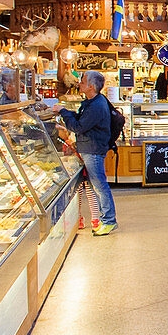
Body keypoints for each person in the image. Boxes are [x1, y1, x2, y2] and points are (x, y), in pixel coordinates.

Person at [51, 71, 117, 236]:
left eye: (82, 82)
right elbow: (81, 119)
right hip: (90, 147)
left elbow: (78, 127)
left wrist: (64, 112)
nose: (79, 84)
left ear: (91, 87)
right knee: (97, 186)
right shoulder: (93, 101)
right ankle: (104, 219)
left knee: (100, 186)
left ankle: (109, 221)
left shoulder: (96, 105)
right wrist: (66, 112)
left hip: (93, 149)